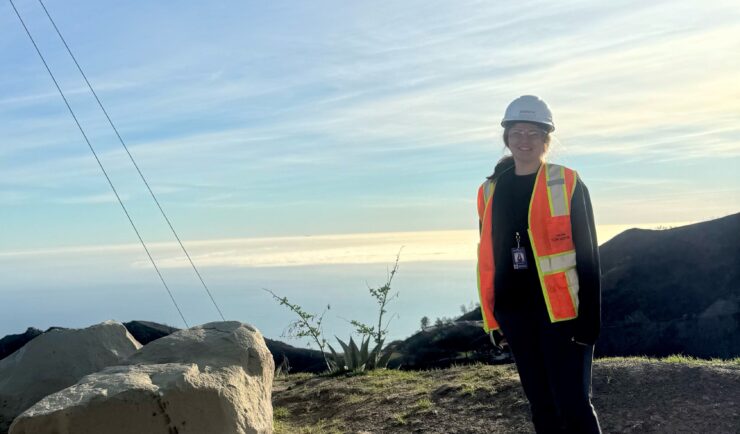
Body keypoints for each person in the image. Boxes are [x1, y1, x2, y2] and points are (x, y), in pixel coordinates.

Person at [476, 95, 602, 433]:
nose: (524, 140)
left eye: (533, 133)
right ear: (506, 139)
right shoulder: (488, 191)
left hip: (562, 314)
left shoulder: (568, 181)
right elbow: (490, 257)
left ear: (547, 140)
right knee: (542, 406)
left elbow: (588, 253)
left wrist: (590, 319)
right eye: (516, 132)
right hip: (514, 313)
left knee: (573, 405)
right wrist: (493, 319)